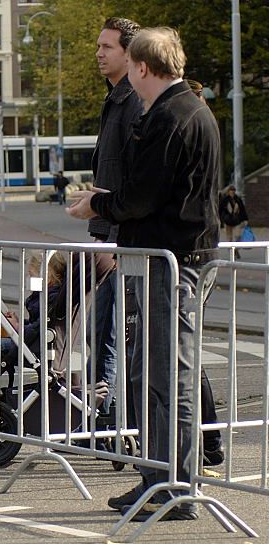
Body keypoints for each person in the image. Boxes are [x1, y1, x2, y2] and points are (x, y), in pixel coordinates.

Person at [68, 27, 220, 522]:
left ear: (142, 68)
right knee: (156, 374)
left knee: (164, 379)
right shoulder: (188, 109)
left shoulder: (170, 116)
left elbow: (140, 197)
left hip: (169, 261)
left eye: (131, 64)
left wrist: (97, 202)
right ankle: (163, 481)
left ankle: (170, 485)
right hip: (171, 258)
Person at [88, 17, 142, 412]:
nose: (99, 54)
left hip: (124, 240)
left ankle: (109, 418)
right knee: (103, 329)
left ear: (129, 53)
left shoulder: (133, 102)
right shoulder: (115, 99)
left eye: (107, 47)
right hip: (111, 235)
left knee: (112, 332)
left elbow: (135, 179)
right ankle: (105, 416)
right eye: (98, 46)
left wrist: (112, 236)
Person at [0, 253, 66, 397]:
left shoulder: (50, 298)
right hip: (37, 341)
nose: (29, 280)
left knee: (1, 346)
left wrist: (17, 327)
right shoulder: (46, 295)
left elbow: (37, 329)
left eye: (31, 275)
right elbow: (38, 325)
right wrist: (18, 323)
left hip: (39, 347)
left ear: (47, 276)